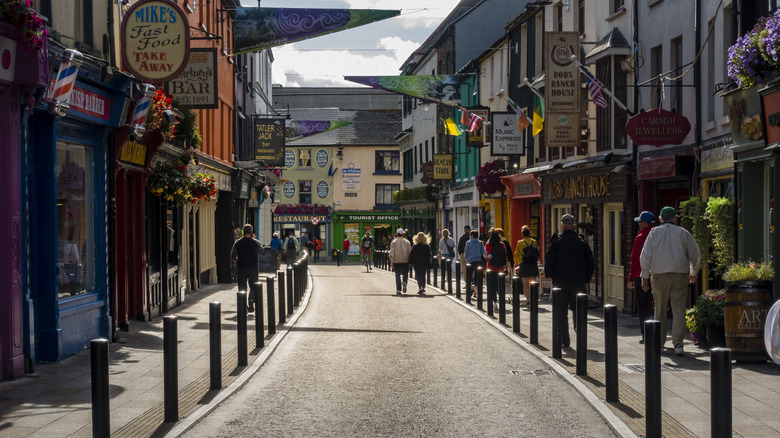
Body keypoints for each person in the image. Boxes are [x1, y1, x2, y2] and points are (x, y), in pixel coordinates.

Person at [640, 206, 701, 356]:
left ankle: (659, 342)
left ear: (660, 218)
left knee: (659, 309)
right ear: (675, 218)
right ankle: (678, 344)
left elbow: (645, 255)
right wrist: (693, 272)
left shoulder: (654, 233)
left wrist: (644, 277)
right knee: (679, 309)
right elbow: (695, 254)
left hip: (659, 275)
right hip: (680, 274)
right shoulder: (683, 233)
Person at [544, 214, 595, 347]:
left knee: (561, 313)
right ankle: (580, 337)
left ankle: (564, 340)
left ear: (562, 225)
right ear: (573, 224)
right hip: (578, 282)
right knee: (579, 311)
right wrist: (586, 278)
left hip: (560, 283)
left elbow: (549, 260)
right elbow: (591, 262)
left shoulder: (556, 242)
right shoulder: (581, 242)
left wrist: (551, 275)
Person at [628, 211, 655, 344]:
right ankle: (657, 334)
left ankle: (646, 335)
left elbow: (635, 259)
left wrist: (631, 278)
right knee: (658, 305)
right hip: (656, 275)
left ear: (644, 223)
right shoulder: (657, 236)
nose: (638, 224)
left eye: (639, 222)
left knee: (643, 306)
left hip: (641, 275)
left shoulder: (640, 238)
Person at [231, 224, 265, 313]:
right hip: (253, 267)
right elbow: (262, 250)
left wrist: (236, 264)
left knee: (242, 286)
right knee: (253, 286)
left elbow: (233, 255)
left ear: (243, 232)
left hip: (242, 267)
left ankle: (242, 304)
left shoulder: (237, 242)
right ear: (251, 232)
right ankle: (251, 300)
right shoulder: (255, 242)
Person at [513, 225, 539, 306]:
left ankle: (528, 300)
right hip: (533, 264)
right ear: (529, 233)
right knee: (533, 282)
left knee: (525, 284)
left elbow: (516, 253)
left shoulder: (520, 243)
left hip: (524, 264)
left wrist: (516, 261)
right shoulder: (534, 241)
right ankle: (534, 298)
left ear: (522, 234)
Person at [485, 230, 507, 312]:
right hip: (500, 268)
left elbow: (486, 255)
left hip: (491, 268)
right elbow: (505, 256)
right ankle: (502, 301)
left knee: (492, 286)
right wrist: (506, 267)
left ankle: (495, 302)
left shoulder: (488, 245)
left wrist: (489, 257)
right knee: (500, 286)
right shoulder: (502, 244)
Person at [389, 228, 412, 295]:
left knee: (397, 275)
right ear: (403, 234)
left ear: (397, 234)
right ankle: (404, 281)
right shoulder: (407, 242)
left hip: (396, 260)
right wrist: (410, 261)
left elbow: (392, 252)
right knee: (405, 273)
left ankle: (398, 289)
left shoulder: (393, 242)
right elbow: (410, 252)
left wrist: (391, 262)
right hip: (405, 260)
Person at [464, 230, 485, 298]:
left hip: (470, 261)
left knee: (469, 276)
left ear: (472, 236)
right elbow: (483, 252)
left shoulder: (468, 243)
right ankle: (475, 292)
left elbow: (466, 252)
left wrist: (466, 259)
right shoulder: (480, 243)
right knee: (477, 276)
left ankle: (470, 289)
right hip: (478, 261)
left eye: (470, 235)